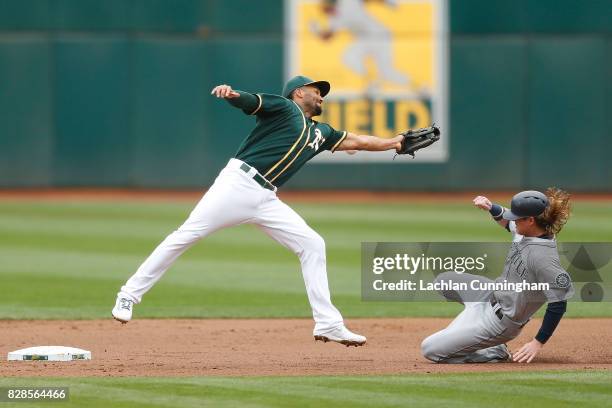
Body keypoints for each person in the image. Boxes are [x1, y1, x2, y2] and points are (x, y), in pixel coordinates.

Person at [112, 75, 421, 347]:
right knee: (185, 236)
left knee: (313, 244)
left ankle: (328, 324)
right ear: (299, 93)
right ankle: (129, 294)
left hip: (267, 198)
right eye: (317, 90)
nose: (322, 95)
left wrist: (394, 143)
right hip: (237, 185)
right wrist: (232, 95)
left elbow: (357, 140)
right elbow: (252, 102)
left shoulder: (321, 132)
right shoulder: (284, 108)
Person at [421, 188, 574, 363]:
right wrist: (490, 207)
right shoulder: (528, 230)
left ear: (530, 220)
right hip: (489, 293)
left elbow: (559, 302)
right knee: (443, 281)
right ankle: (468, 329)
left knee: (430, 349)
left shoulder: (543, 258)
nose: (512, 220)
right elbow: (506, 221)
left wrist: (538, 342)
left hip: (500, 322)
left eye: (516, 217)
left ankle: (494, 351)